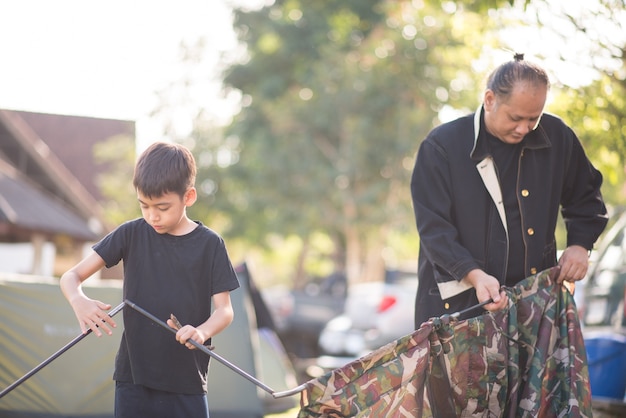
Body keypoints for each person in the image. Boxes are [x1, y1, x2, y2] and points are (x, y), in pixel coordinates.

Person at [410, 54, 608, 327]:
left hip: (534, 310)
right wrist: (475, 276)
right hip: (459, 313)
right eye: (516, 118)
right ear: (489, 99)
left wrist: (579, 245)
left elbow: (587, 198)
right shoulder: (441, 147)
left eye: (533, 119)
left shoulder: (558, 136)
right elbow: (434, 230)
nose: (523, 128)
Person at [60, 141, 240, 418]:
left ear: (188, 197)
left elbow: (225, 311)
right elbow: (71, 276)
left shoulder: (210, 244)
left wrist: (201, 332)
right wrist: (78, 300)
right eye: (144, 205)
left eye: (162, 207)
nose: (152, 216)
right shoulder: (130, 234)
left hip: (186, 381)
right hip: (133, 378)